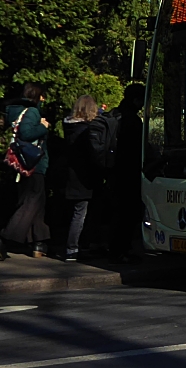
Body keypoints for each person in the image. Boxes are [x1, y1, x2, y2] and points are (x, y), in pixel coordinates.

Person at [1, 83, 51, 258]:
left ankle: (39, 243)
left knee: (36, 203)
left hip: (21, 164)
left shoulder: (16, 110)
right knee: (31, 202)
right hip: (34, 163)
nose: (44, 99)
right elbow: (26, 133)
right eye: (43, 95)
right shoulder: (32, 111)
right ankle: (5, 238)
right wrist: (43, 126)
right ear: (38, 96)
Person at [62, 95, 105, 261]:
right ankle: (72, 249)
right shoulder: (87, 131)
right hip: (85, 178)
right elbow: (92, 155)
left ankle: (78, 246)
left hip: (73, 176)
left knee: (78, 212)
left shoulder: (69, 127)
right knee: (80, 214)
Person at [107, 83, 144, 262]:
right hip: (129, 173)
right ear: (136, 100)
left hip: (114, 171)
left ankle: (115, 248)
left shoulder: (115, 115)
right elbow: (136, 150)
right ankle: (123, 250)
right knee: (127, 214)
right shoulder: (133, 120)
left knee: (117, 213)